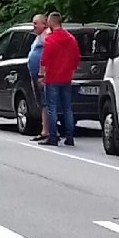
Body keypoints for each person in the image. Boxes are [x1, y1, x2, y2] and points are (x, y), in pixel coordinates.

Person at [38, 12, 80, 146]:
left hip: (52, 77)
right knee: (67, 108)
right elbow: (76, 57)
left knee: (52, 108)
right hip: (66, 77)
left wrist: (41, 74)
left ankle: (53, 137)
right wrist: (71, 71)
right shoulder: (70, 38)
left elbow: (45, 59)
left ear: (51, 23)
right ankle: (69, 137)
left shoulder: (50, 39)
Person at [27, 13, 51, 142]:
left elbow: (49, 53)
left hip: (43, 76)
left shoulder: (47, 35)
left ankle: (48, 131)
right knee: (42, 103)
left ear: (44, 23)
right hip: (36, 75)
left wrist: (43, 73)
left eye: (36, 23)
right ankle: (44, 130)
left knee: (46, 102)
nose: (33, 26)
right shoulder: (39, 37)